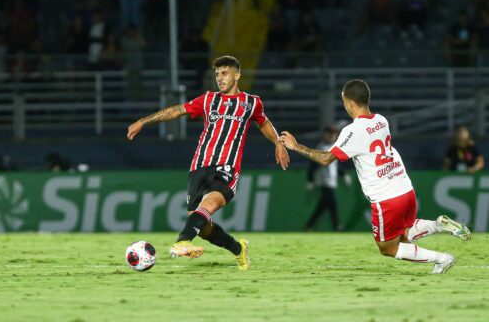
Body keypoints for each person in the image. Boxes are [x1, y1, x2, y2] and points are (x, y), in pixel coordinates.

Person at [279, 79, 471, 274]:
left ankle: (442, 259)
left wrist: (295, 146)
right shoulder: (381, 120)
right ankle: (437, 225)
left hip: (386, 198)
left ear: (350, 103)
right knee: (404, 235)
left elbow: (326, 158)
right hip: (404, 188)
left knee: (388, 248)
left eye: (344, 102)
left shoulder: (353, 131)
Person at [127, 55, 290, 270]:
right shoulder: (208, 100)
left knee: (209, 204)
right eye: (217, 75)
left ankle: (181, 242)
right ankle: (238, 249)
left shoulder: (251, 102)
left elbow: (263, 122)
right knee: (202, 225)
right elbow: (177, 110)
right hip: (199, 166)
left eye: (224, 74)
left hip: (227, 168)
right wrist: (143, 121)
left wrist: (278, 142)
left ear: (237, 75)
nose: (220, 79)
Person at [304, 125, 350, 232]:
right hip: (324, 180)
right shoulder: (321, 147)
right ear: (325, 134)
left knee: (324, 205)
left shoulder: (333, 147)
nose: (332, 136)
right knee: (332, 203)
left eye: (334, 134)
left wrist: (343, 175)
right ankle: (337, 225)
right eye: (330, 133)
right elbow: (313, 165)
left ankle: (309, 225)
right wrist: (310, 180)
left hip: (331, 180)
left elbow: (335, 165)